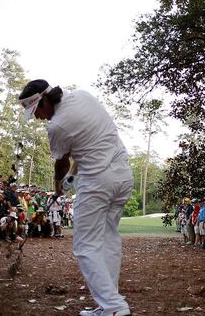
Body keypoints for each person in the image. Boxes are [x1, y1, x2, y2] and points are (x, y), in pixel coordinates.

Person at [19, 79, 133, 316]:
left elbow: (62, 161)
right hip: (122, 175)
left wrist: (59, 185)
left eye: (37, 111)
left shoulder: (57, 126)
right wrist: (71, 176)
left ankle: (114, 307)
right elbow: (87, 144)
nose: (38, 117)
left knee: (85, 247)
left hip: (98, 183)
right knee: (108, 238)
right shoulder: (83, 96)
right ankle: (108, 304)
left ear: (44, 100)